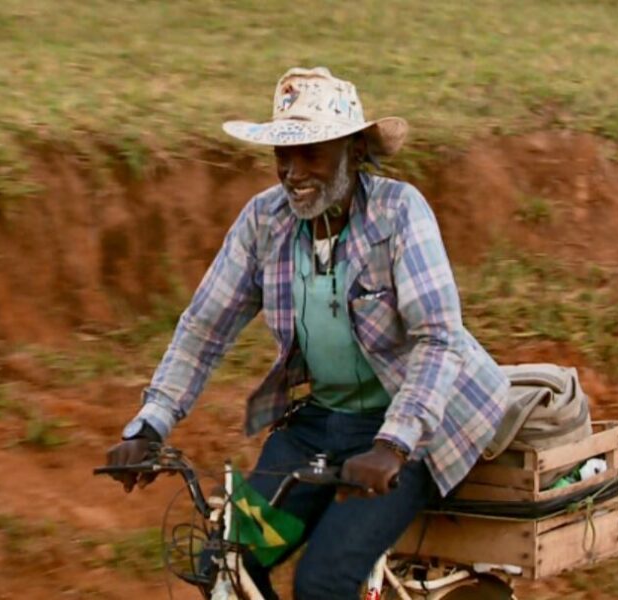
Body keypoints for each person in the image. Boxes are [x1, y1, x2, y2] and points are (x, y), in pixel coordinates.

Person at [105, 67, 509, 600]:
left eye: (312, 154)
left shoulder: (398, 213)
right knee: (226, 566)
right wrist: (150, 426)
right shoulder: (264, 222)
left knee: (323, 582)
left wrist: (393, 444)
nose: (293, 173)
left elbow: (438, 337)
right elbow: (204, 328)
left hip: (415, 427)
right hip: (320, 425)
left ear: (353, 151)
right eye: (283, 156)